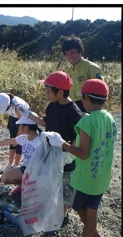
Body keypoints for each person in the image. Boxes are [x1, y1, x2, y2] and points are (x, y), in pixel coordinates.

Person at [51, 79, 117, 237]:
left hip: (85, 178)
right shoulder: (109, 117)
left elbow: (83, 153)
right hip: (101, 176)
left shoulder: (86, 123)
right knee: (91, 210)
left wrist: (62, 143)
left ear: (86, 97)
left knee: (82, 209)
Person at [26, 71, 84, 222]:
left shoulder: (74, 113)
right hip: (50, 153)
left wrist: (67, 155)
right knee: (50, 182)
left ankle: (62, 216)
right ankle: (50, 209)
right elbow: (46, 123)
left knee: (64, 187)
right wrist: (28, 114)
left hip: (65, 158)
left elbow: (77, 140)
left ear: (59, 92)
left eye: (47, 91)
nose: (46, 94)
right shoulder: (52, 105)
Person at [0, 116, 45, 185]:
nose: (19, 128)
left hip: (37, 171)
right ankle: (24, 185)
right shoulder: (24, 138)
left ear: (26, 127)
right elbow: (10, 141)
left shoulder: (40, 141)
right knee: (4, 177)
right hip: (25, 168)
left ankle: (31, 184)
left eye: (21, 126)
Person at [60, 36, 104, 113]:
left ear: (80, 51)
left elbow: (101, 89)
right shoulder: (68, 71)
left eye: (72, 52)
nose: (70, 56)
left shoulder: (91, 67)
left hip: (88, 106)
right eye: (67, 54)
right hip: (73, 106)